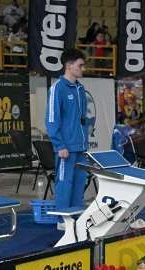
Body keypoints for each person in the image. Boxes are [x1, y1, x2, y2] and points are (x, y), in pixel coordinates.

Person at [46, 49, 89, 213]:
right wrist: (60, 145)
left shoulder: (80, 89)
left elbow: (82, 120)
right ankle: (62, 221)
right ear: (69, 65)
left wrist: (85, 144)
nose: (83, 68)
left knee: (79, 185)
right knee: (65, 184)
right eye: (80, 65)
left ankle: (76, 219)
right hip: (66, 148)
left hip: (81, 148)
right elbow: (52, 119)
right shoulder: (57, 88)